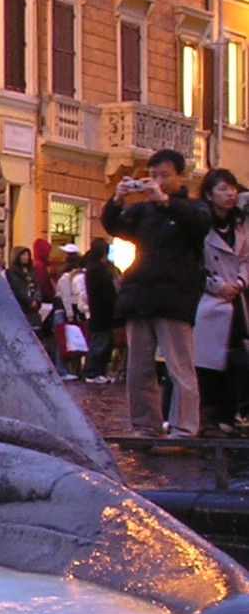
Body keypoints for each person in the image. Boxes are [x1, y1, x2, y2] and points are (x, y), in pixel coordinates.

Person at [101, 148, 212, 437]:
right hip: (139, 297)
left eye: (164, 175)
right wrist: (117, 200)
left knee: (179, 367)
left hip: (175, 298)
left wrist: (166, 202)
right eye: (153, 175)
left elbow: (200, 225)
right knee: (139, 369)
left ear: (180, 176)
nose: (158, 181)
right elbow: (114, 225)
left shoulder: (193, 208)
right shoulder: (142, 211)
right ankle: (145, 426)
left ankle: (184, 428)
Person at [196, 168, 249, 434]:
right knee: (208, 362)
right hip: (209, 301)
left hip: (236, 300)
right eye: (223, 189)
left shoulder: (239, 225)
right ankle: (208, 418)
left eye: (232, 189)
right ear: (209, 194)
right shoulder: (200, 225)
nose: (230, 194)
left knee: (236, 359)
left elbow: (245, 259)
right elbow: (194, 264)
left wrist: (240, 282)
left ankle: (229, 415)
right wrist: (217, 286)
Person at [84, 241, 121, 381]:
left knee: (101, 343)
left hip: (100, 313)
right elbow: (105, 292)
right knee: (99, 344)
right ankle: (94, 372)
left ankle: (98, 371)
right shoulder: (98, 270)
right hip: (102, 313)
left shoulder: (94, 269)